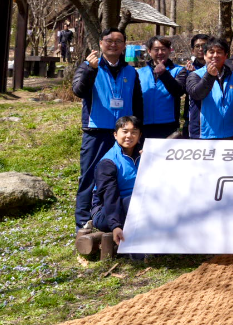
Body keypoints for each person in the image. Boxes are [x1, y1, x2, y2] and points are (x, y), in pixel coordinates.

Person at [72, 28, 143, 233]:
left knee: (122, 175)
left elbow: (138, 104)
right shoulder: (89, 65)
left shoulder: (131, 71)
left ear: (124, 46)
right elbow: (78, 91)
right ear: (101, 43)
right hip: (96, 130)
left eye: (119, 41)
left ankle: (117, 217)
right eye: (109, 40)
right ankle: (83, 222)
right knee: (88, 176)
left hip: (124, 134)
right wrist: (90, 70)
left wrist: (139, 132)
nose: (113, 44)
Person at [92, 116, 142, 245]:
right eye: (124, 131)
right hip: (107, 212)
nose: (129, 136)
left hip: (137, 206)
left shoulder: (145, 155)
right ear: (115, 135)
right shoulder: (108, 162)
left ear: (139, 135)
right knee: (134, 201)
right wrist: (115, 225)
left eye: (134, 132)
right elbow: (109, 195)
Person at [186, 37, 233, 140]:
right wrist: (210, 76)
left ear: (226, 56)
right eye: (211, 52)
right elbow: (197, 94)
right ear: (205, 55)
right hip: (203, 135)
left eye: (219, 52)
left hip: (230, 133)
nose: (215, 55)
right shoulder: (195, 75)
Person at [138, 36, 186, 139]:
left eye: (163, 49)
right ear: (149, 51)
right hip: (144, 124)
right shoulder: (140, 72)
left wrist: (164, 74)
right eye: (156, 49)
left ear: (169, 50)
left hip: (168, 124)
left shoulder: (179, 70)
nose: (160, 52)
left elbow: (178, 91)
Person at [178, 33, 209, 139]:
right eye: (197, 46)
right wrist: (192, 76)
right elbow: (180, 90)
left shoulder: (218, 68)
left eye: (204, 45)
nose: (201, 48)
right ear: (192, 50)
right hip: (192, 117)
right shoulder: (186, 70)